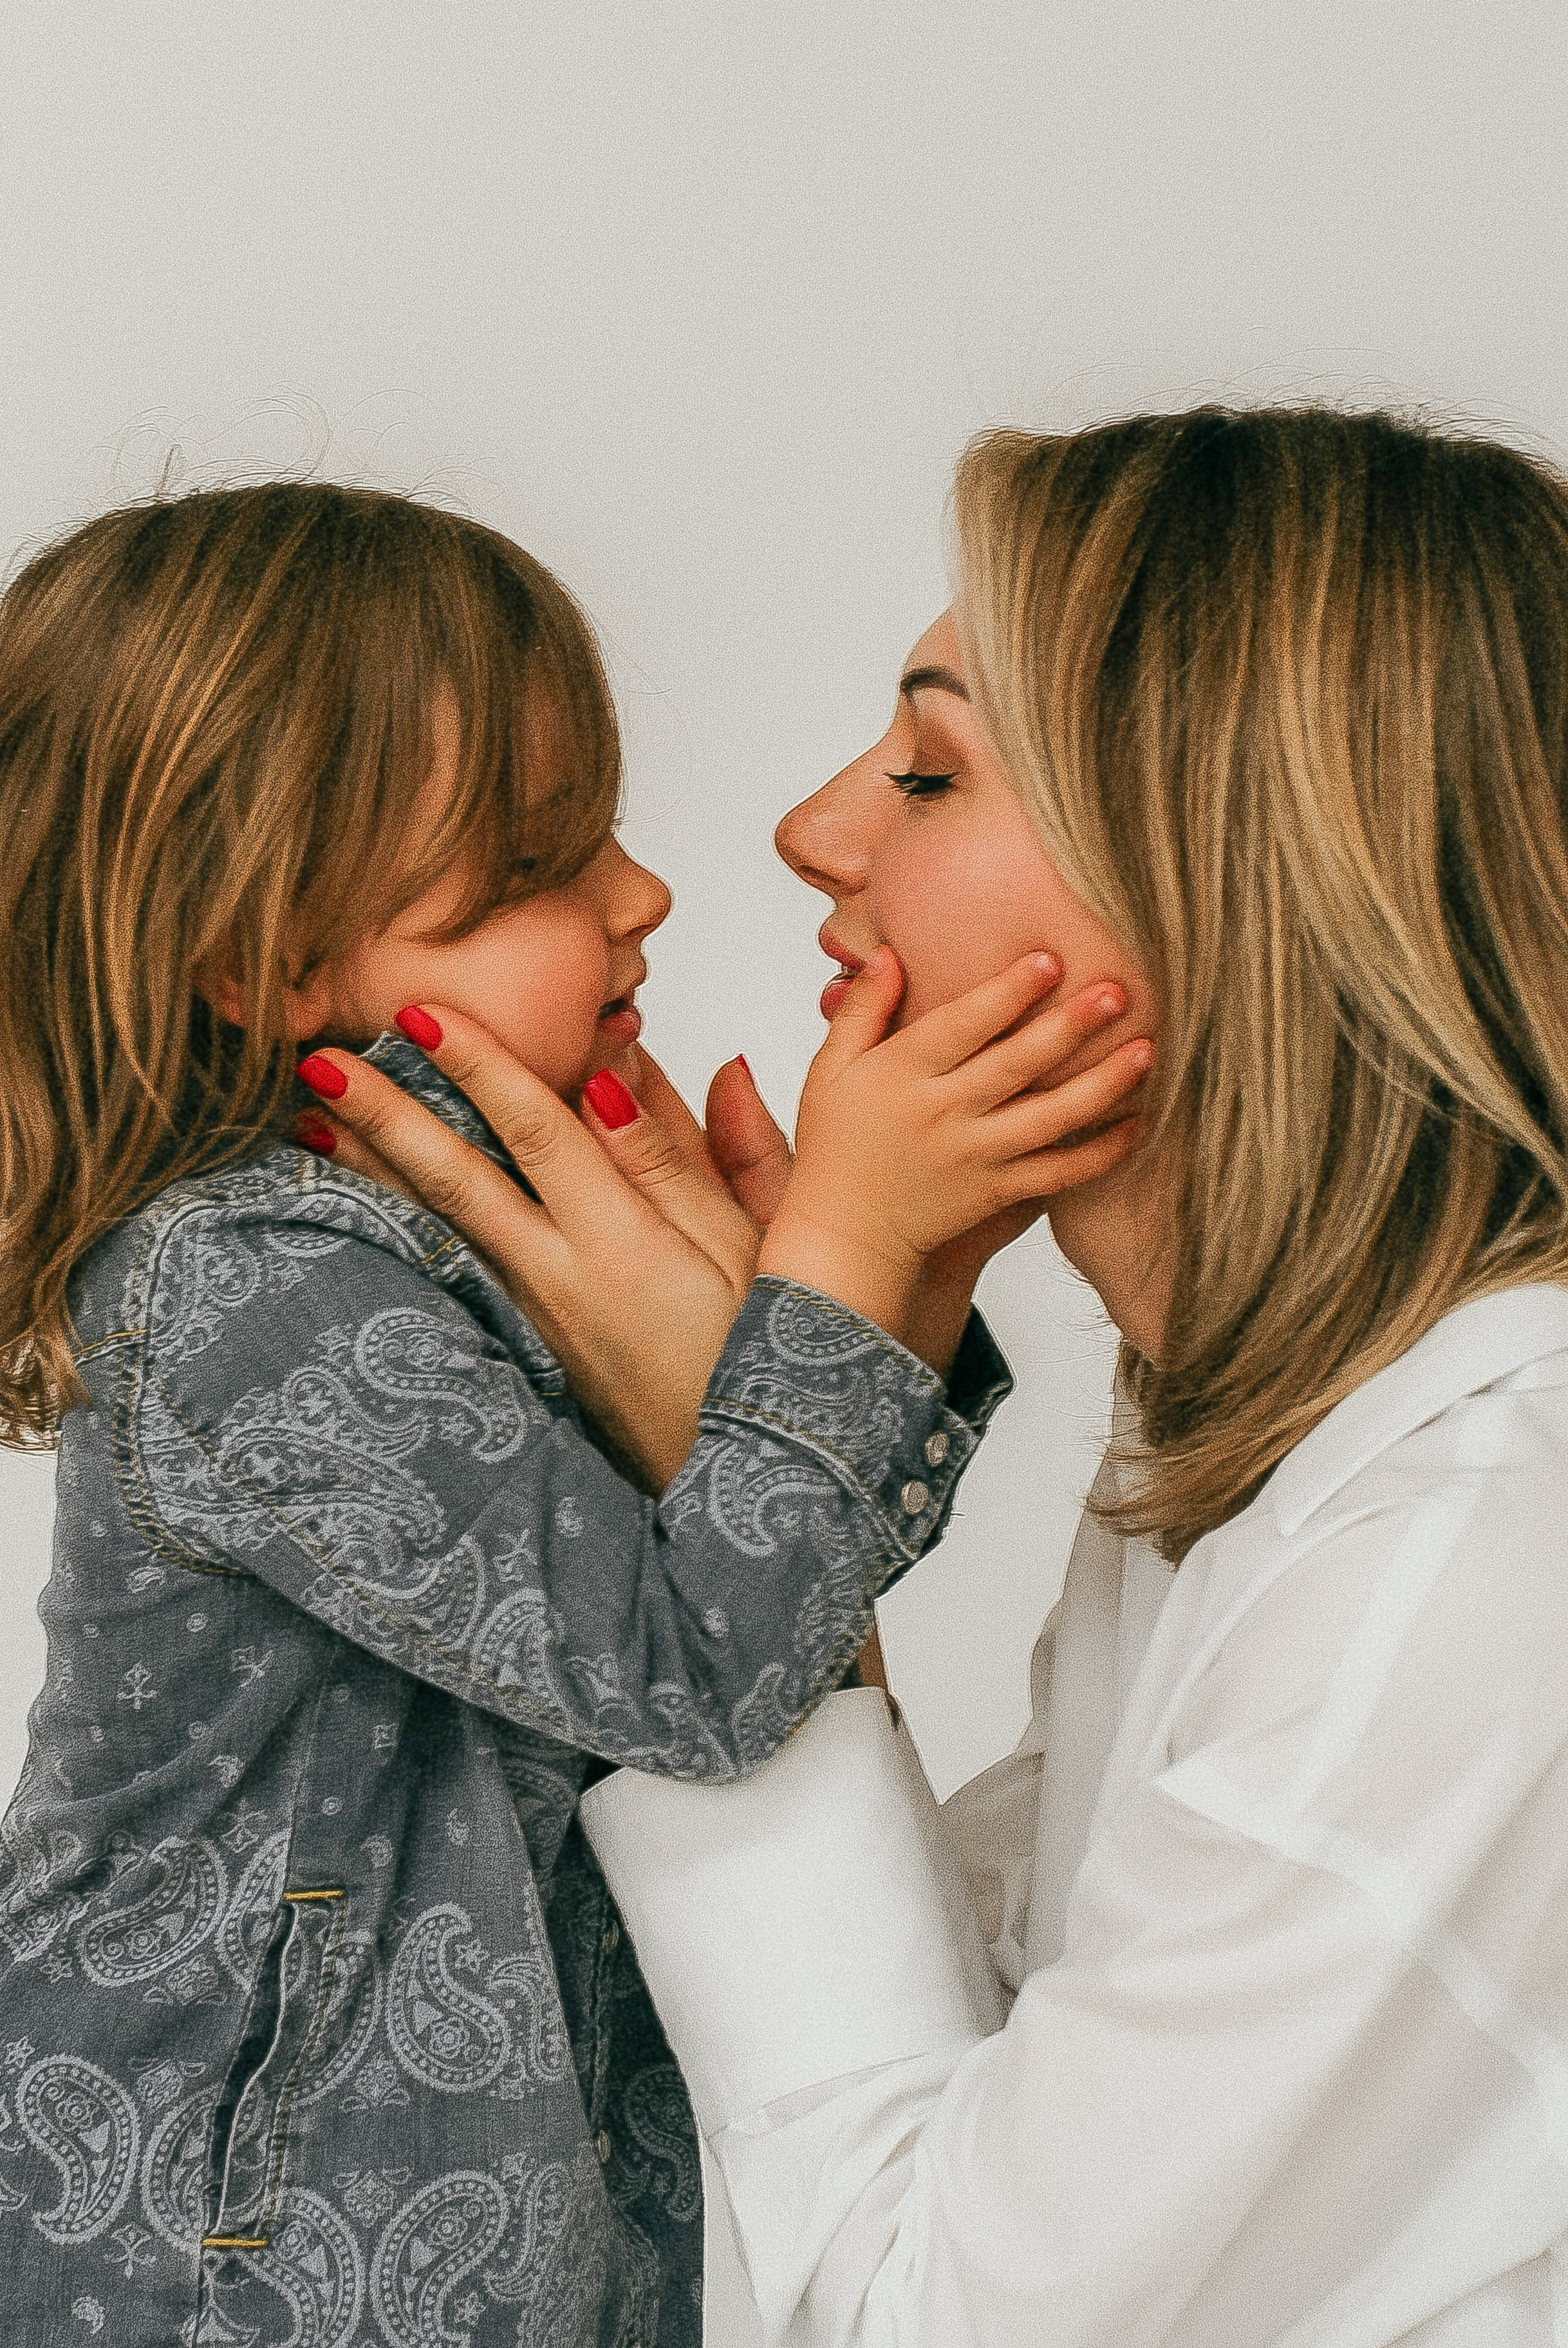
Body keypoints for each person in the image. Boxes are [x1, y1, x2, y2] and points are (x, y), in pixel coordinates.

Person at [311, 405, 1568, 2344]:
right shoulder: (1255, 1458)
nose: (812, 830)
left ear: (1230, 877)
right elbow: (990, 2073)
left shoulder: (1462, 1577)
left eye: (929, 771)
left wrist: (741, 1470)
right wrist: (773, 1484)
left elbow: (921, 2315)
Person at [0, 481, 1150, 2347]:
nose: (642, 894)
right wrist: (848, 1273)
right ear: (259, 964)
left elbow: (765, 1584)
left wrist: (864, 1306)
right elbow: (695, 1671)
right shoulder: (247, 1285)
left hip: (501, 2215)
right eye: (535, 868)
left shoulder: (449, 1235)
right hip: (232, 2264)